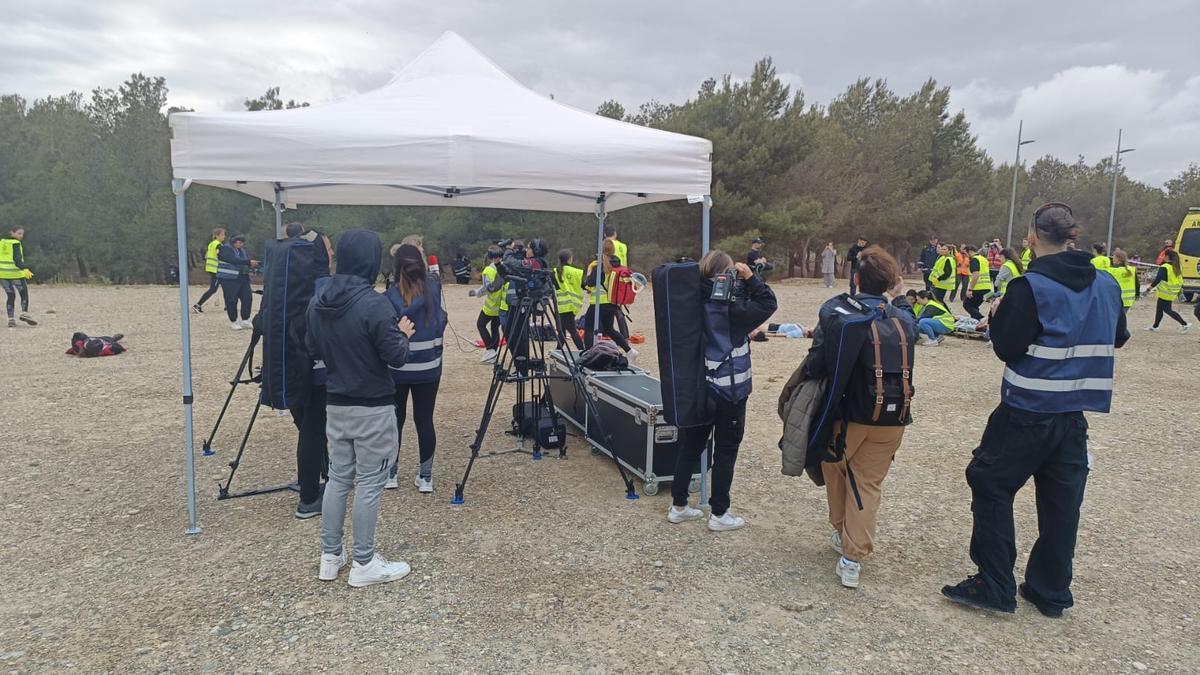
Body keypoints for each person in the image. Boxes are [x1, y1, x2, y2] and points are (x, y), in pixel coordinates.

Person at [941, 202, 1128, 617]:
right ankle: (1050, 590)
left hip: (1027, 409)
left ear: (1031, 237)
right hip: (1074, 414)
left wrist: (999, 314)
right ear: (1071, 237)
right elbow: (1119, 337)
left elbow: (1007, 347)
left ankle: (994, 584)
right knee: (1062, 502)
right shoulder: (1107, 283)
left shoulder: (1029, 287)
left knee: (988, 480)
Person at [306, 229, 416, 588]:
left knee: (338, 477)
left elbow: (312, 347)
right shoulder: (374, 304)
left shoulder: (317, 300)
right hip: (372, 406)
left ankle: (330, 555)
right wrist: (402, 333)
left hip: (336, 404)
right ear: (371, 260)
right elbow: (396, 357)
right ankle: (364, 563)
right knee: (370, 482)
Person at [804, 246, 914, 588]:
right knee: (866, 483)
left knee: (835, 471)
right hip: (892, 419)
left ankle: (844, 537)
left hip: (848, 418)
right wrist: (898, 296)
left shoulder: (840, 316)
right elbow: (906, 312)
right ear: (890, 282)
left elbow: (817, 363)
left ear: (855, 279)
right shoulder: (904, 320)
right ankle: (852, 556)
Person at [667, 250, 777, 532]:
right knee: (726, 451)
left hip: (699, 385)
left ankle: (679, 505)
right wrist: (751, 278)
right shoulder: (733, 311)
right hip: (729, 390)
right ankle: (719, 513)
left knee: (691, 444)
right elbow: (768, 303)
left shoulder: (690, 301)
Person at [384, 244, 447, 494]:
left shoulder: (389, 296)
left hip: (397, 368)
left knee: (395, 420)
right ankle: (426, 476)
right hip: (429, 368)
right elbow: (434, 274)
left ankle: (391, 473)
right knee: (424, 420)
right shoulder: (433, 289)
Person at [582, 240, 637, 361]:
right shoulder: (617, 264)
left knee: (589, 329)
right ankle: (630, 351)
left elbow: (589, 283)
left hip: (597, 303)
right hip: (612, 302)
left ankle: (589, 355)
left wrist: (586, 280)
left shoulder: (598, 265)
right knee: (609, 329)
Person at [216, 234, 258, 330]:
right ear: (233, 242)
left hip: (242, 277)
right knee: (231, 300)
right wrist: (248, 262)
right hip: (229, 279)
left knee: (247, 298)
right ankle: (233, 321)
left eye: (242, 243)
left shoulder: (241, 250)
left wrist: (252, 266)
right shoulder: (225, 249)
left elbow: (243, 260)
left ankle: (245, 319)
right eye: (239, 242)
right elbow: (233, 260)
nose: (240, 245)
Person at [1144, 249, 1189, 332]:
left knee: (1168, 310)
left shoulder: (1165, 267)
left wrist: (1148, 289)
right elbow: (1180, 280)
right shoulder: (1178, 267)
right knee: (1159, 309)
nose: (1163, 257)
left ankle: (1184, 324)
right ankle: (1155, 326)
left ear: (1167, 257)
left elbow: (1158, 279)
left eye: (1164, 255)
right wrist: (1180, 292)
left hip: (1165, 292)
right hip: (1171, 292)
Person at [475, 246, 507, 363]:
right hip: (501, 304)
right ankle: (493, 352)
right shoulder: (504, 268)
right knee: (495, 328)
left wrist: (477, 293)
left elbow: (487, 288)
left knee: (480, 324)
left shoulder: (488, 270)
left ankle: (490, 350)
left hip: (491, 305)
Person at [0, 227, 36, 328]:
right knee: (23, 293)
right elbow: (17, 259)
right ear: (12, 232)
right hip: (15, 273)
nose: (21, 236)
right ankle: (24, 313)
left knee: (10, 295)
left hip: (2, 274)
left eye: (22, 234)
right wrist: (24, 269)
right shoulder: (15, 244)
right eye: (19, 233)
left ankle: (11, 319)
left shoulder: (1, 242)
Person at [554, 248, 585, 350]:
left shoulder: (555, 271)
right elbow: (584, 285)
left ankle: (581, 351)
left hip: (561, 305)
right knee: (568, 331)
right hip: (572, 305)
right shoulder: (576, 272)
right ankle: (582, 351)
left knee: (567, 330)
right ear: (570, 259)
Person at [192, 228, 226, 313]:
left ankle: (228, 306)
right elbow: (221, 257)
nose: (224, 236)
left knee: (227, 287)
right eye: (222, 234)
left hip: (211, 268)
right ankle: (198, 305)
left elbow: (207, 256)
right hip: (216, 270)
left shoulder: (211, 244)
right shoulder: (219, 245)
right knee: (213, 289)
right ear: (217, 235)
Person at [962, 245, 993, 321]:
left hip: (978, 288)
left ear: (969, 251)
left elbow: (976, 275)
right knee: (974, 306)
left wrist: (970, 289)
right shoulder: (983, 259)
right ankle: (975, 322)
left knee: (967, 304)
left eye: (965, 253)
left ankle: (981, 319)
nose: (965, 256)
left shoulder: (974, 260)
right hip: (987, 287)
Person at [1106, 249, 1138, 313]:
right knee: (1122, 319)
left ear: (1118, 259)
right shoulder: (1131, 269)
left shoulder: (1112, 270)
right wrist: (1137, 294)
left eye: (1114, 257)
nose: (1113, 259)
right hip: (1128, 301)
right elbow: (1137, 283)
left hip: (1116, 300)